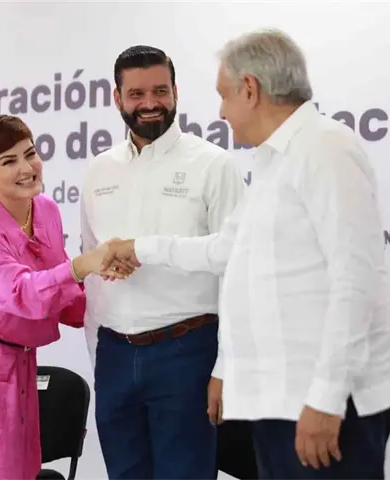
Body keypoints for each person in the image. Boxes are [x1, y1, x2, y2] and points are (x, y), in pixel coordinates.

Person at [100, 29, 390, 480]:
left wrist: (326, 398)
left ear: (250, 89)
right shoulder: (273, 160)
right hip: (281, 400)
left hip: (325, 403)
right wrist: (138, 247)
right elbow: (226, 248)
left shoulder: (325, 149)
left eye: (224, 95)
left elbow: (356, 283)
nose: (221, 112)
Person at [0, 114, 130, 480]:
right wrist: (83, 266)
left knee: (15, 467)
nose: (27, 168)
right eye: (9, 161)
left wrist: (110, 289)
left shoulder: (45, 209)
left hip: (17, 355)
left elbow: (62, 293)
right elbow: (19, 293)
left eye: (30, 154)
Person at [80, 45, 245, 480]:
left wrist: (225, 367)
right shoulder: (98, 171)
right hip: (114, 356)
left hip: (187, 353)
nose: (150, 103)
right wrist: (99, 354)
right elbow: (92, 271)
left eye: (160, 91)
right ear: (117, 98)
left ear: (176, 92)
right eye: (136, 94)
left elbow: (237, 272)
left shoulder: (214, 165)